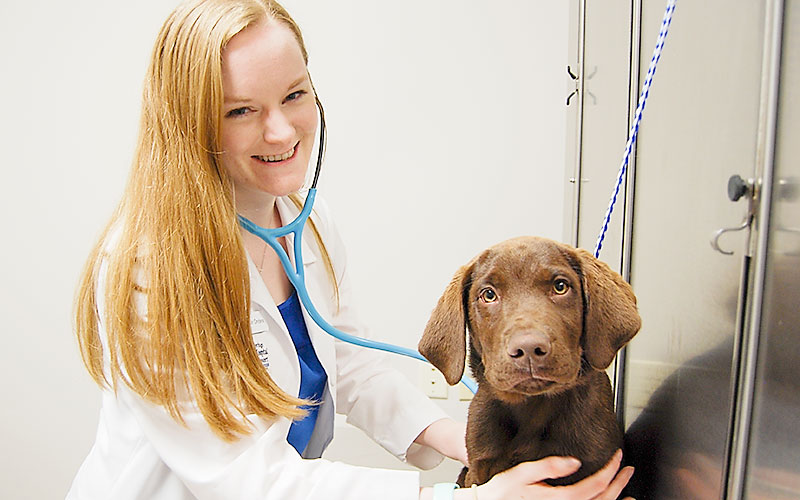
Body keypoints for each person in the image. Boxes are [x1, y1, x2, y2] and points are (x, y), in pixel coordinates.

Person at [67, 1, 634, 498]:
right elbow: (246, 479)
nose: (283, 132)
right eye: (241, 110)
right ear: (190, 125)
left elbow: (352, 367)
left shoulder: (304, 225)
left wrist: (479, 448)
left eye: (295, 95)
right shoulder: (148, 271)